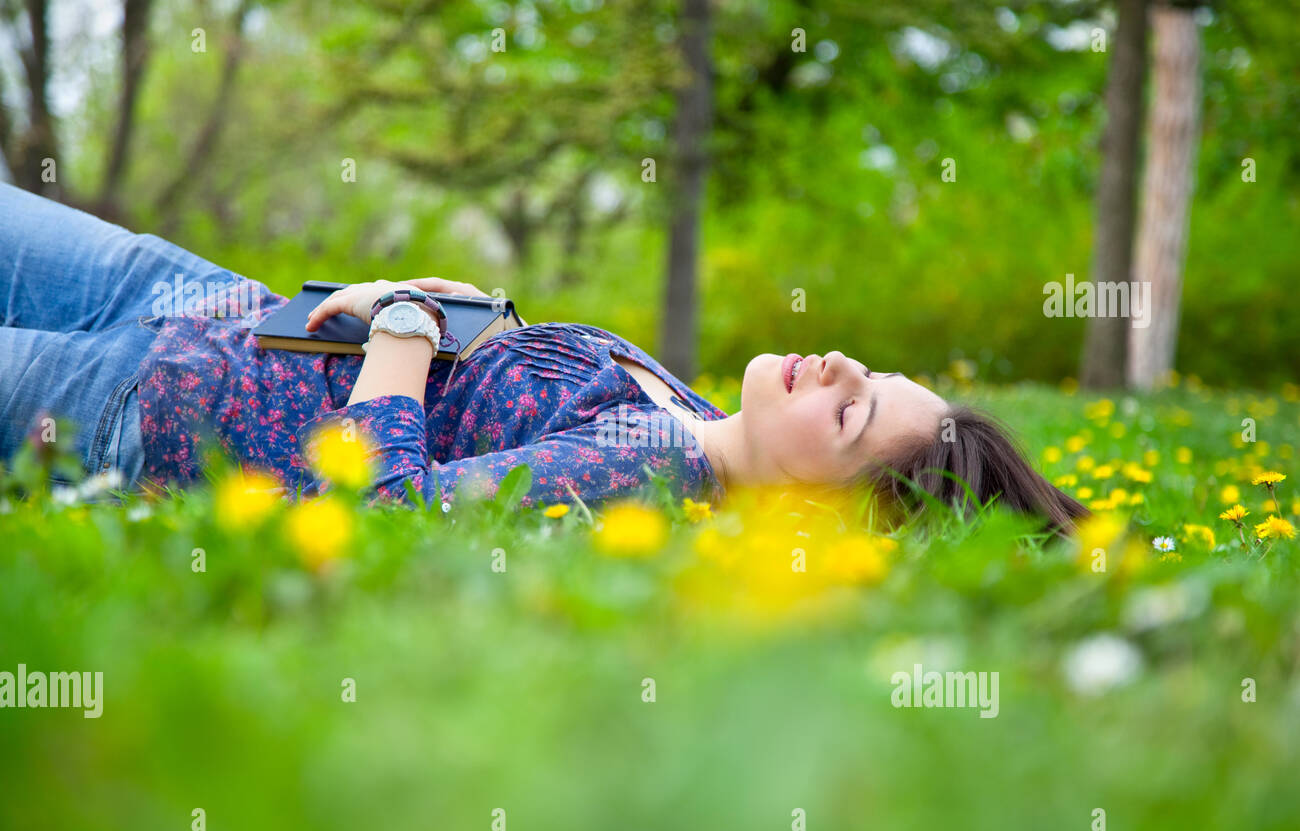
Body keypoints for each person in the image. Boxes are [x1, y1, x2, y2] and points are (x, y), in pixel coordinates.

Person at [0, 183, 1087, 534]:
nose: (842, 365)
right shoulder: (691, 408)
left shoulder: (653, 473)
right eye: (872, 369)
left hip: (144, 407)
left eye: (854, 413)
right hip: (201, 302)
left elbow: (395, 504)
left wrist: (404, 330)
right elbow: (496, 401)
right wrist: (475, 317)